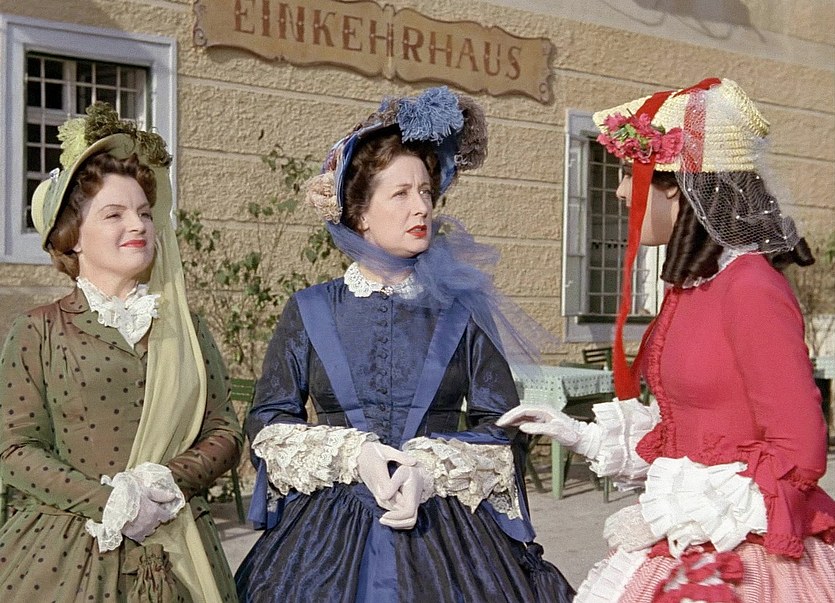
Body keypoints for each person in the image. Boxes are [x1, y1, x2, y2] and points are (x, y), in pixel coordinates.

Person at [499, 77, 835, 601]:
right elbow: (686, 435)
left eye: (627, 175)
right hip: (692, 537)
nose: (618, 192)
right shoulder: (694, 287)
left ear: (674, 185)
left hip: (745, 551)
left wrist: (680, 517)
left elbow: (800, 451)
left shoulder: (750, 288)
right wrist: (579, 435)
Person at [234, 87, 575, 602]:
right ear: (360, 214)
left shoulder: (461, 310)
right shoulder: (310, 309)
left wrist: (428, 472)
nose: (422, 207)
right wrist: (353, 455)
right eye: (401, 194)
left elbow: (503, 427)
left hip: (446, 530)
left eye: (426, 191)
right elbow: (267, 419)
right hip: (326, 535)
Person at [0, 103, 242, 601]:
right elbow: (14, 448)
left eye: (145, 213)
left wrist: (164, 482)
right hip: (67, 551)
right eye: (115, 214)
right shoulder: (39, 330)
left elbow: (225, 431)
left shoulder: (186, 329)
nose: (138, 225)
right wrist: (109, 500)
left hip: (178, 542)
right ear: (72, 237)